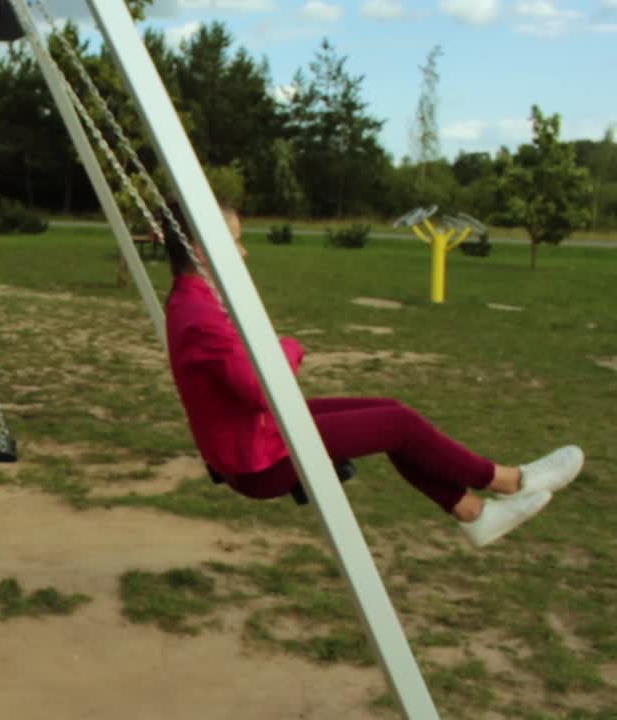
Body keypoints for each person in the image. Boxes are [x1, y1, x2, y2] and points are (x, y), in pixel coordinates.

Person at [161, 201, 584, 548]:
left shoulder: (197, 298)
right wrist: (289, 347)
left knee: (389, 413)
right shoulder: (201, 314)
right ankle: (509, 481)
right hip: (259, 460)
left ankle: (474, 513)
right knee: (397, 425)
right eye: (236, 242)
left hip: (259, 435)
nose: (244, 253)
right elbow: (259, 387)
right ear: (201, 248)